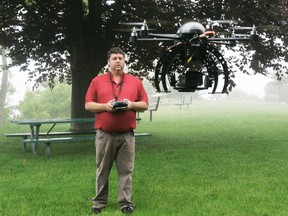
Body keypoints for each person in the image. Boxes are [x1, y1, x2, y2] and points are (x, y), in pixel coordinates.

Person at [85, 47, 149, 214]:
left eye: (121, 58)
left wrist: (131, 104)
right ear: (108, 62)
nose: (118, 61)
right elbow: (88, 104)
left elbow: (144, 104)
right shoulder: (97, 81)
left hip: (127, 136)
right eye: (114, 58)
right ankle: (99, 203)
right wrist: (105, 107)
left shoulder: (136, 82)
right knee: (102, 171)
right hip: (104, 135)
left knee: (126, 171)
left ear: (124, 61)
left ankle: (126, 203)